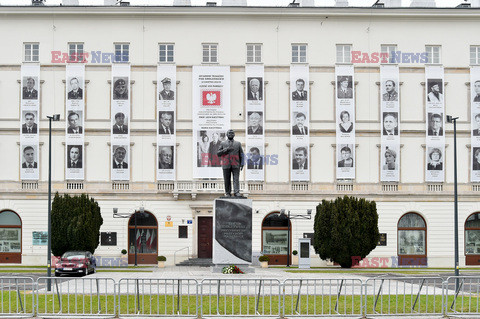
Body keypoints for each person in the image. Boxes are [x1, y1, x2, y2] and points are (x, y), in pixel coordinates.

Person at [217, 129, 244, 197]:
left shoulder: (238, 143)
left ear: (234, 135)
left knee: (236, 179)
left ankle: (236, 192)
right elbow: (218, 153)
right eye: (229, 133)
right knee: (227, 179)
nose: (231, 134)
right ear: (227, 135)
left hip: (236, 164)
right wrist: (226, 150)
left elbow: (241, 154)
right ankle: (228, 193)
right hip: (226, 164)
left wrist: (242, 163)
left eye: (232, 133)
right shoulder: (223, 143)